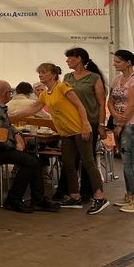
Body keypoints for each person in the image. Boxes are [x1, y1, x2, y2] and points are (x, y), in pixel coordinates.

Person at [10, 63, 108, 214]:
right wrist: (14, 115)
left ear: (53, 74)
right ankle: (75, 197)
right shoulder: (45, 94)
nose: (40, 75)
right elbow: (33, 108)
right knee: (68, 163)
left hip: (78, 129)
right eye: (39, 72)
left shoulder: (63, 87)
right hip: (66, 132)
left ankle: (100, 197)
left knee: (88, 162)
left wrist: (86, 124)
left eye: (43, 72)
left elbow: (80, 105)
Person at [0, 80, 57, 212]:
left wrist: (17, 134)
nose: (11, 95)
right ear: (7, 93)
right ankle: (15, 199)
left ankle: (37, 199)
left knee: (33, 160)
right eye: (10, 93)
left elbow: (8, 127)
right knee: (31, 161)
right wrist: (14, 145)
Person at [61, 47, 107, 201]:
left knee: (88, 159)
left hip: (89, 123)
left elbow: (101, 103)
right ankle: (72, 193)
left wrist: (101, 124)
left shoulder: (94, 78)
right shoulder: (67, 77)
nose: (67, 61)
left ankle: (91, 193)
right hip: (71, 123)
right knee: (69, 160)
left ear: (79, 58)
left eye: (70, 58)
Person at [108, 50, 134, 213]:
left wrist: (120, 123)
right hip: (120, 122)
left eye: (118, 62)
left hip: (133, 124)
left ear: (128, 62)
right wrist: (115, 115)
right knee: (125, 162)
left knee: (130, 162)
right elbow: (110, 101)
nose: (114, 64)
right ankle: (130, 195)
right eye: (115, 61)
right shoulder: (117, 79)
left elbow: (132, 106)